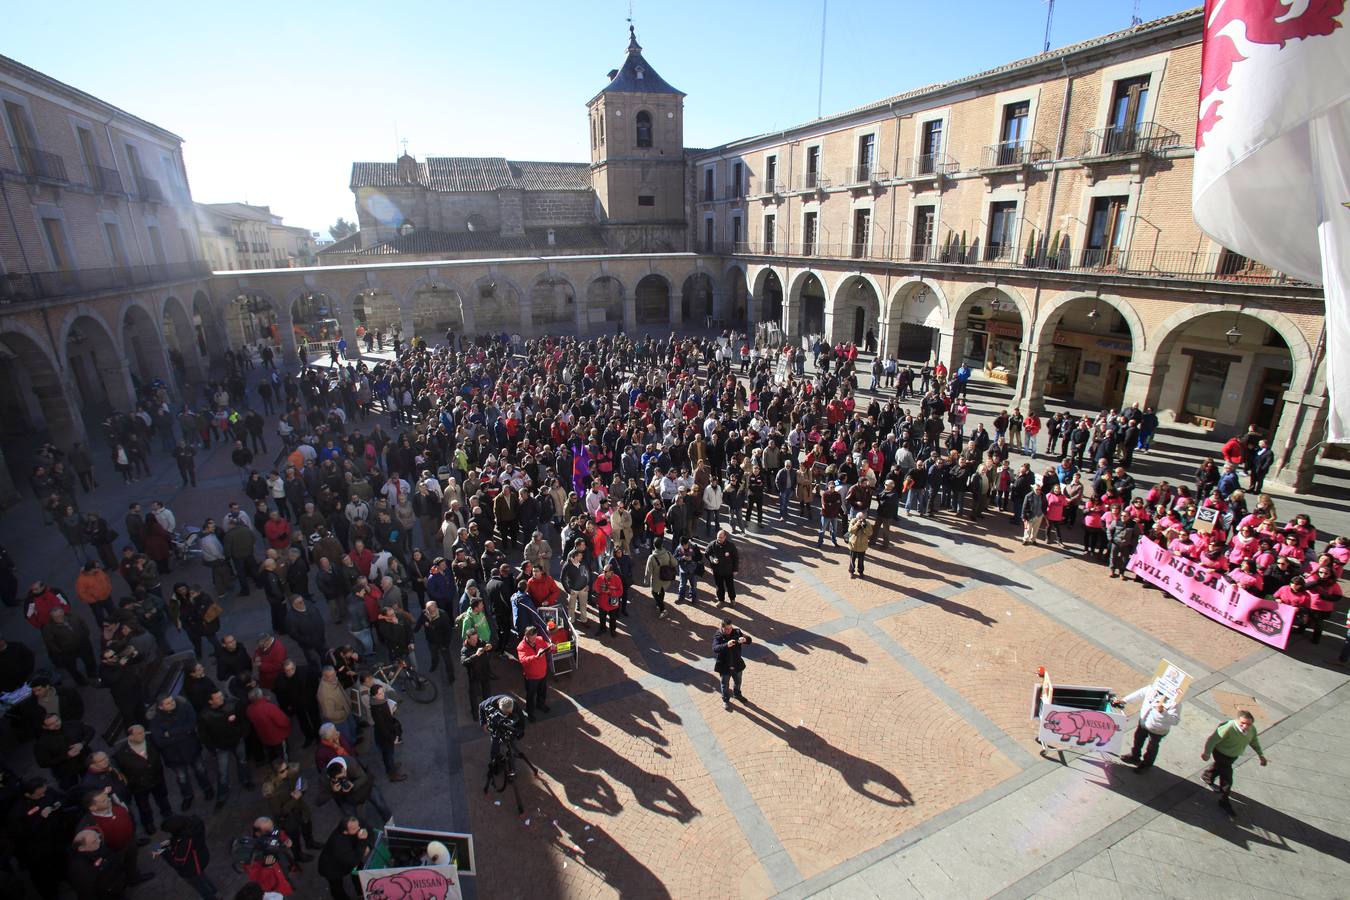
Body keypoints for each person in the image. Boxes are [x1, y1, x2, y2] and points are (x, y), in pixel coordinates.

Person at [1201, 710, 1268, 814]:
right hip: (1221, 753)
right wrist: (1207, 753)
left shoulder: (1252, 730)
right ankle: (1224, 800)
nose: (1245, 726)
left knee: (1220, 767)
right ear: (1237, 721)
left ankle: (1207, 776)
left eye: (1248, 724)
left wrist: (1261, 755)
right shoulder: (1228, 727)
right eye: (1242, 723)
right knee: (1227, 778)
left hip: (1233, 755)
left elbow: (1254, 741)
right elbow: (1212, 740)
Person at [1114, 683, 1182, 771]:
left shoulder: (1175, 702)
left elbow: (1175, 721)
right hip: (1143, 723)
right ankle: (1135, 756)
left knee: (1152, 747)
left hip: (1158, 730)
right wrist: (1124, 700)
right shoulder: (1153, 688)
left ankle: (1147, 764)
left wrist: (1163, 713)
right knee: (1138, 739)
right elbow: (1139, 694)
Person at [155, 814, 217, 899]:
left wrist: (163, 851)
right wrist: (166, 843)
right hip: (201, 858)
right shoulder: (195, 823)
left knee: (201, 887)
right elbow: (177, 838)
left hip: (192, 869)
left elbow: (178, 862)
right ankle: (214, 891)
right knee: (203, 877)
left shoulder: (184, 842)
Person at [317, 816, 374, 900]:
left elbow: (370, 831)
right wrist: (363, 841)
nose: (359, 829)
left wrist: (368, 846)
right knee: (337, 889)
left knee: (358, 874)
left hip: (349, 856)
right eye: (355, 829)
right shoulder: (339, 844)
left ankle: (361, 893)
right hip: (331, 868)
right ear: (345, 832)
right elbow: (354, 860)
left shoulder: (355, 824)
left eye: (358, 825)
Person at [516, 625, 554, 721]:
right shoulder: (521, 647)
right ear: (526, 636)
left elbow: (547, 647)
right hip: (531, 677)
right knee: (530, 696)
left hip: (542, 673)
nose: (534, 640)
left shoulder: (539, 639)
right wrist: (536, 657)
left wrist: (552, 647)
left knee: (542, 691)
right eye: (532, 638)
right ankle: (530, 713)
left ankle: (540, 705)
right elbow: (523, 661)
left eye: (535, 637)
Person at [369, 683, 406, 781]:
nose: (383, 695)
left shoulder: (381, 701)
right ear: (374, 696)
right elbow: (382, 727)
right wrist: (392, 738)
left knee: (389, 754)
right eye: (380, 694)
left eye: (382, 692)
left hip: (388, 732)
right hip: (385, 737)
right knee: (388, 755)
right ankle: (392, 774)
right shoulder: (376, 709)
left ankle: (392, 767)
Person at [713, 619, 751, 711]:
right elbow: (715, 648)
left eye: (730, 628)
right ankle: (725, 700)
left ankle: (737, 694)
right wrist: (726, 645)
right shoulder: (718, 636)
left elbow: (749, 640)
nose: (729, 630)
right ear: (722, 628)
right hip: (724, 666)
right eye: (726, 629)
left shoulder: (737, 632)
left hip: (737, 664)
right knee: (724, 685)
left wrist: (745, 639)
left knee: (738, 682)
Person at [705, 528, 740, 607]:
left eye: (721, 537)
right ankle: (721, 600)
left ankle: (732, 600)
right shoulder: (712, 544)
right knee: (719, 587)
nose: (719, 539)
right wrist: (712, 559)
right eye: (718, 537)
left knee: (730, 586)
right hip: (717, 571)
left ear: (725, 537)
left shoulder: (730, 545)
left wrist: (735, 569)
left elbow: (735, 558)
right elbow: (707, 553)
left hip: (728, 570)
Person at [644, 537, 676, 616]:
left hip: (656, 580)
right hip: (666, 578)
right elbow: (675, 563)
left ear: (654, 545)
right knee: (662, 591)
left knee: (654, 592)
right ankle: (659, 604)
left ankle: (662, 608)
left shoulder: (651, 557)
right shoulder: (668, 553)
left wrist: (646, 580)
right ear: (662, 545)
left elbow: (648, 571)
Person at [846, 511, 875, 578]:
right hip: (853, 545)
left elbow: (870, 533)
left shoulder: (867, 523)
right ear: (857, 517)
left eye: (862, 518)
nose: (861, 519)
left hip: (862, 546)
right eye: (859, 518)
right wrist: (857, 525)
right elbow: (850, 530)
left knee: (861, 561)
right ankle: (851, 571)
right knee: (852, 560)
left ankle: (861, 572)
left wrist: (864, 527)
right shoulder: (853, 521)